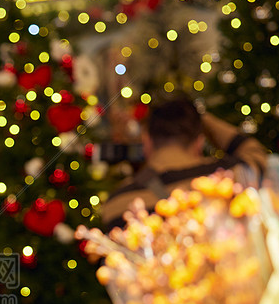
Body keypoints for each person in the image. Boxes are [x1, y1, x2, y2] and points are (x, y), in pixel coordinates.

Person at [102, 96, 267, 230]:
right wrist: (202, 118)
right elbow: (255, 152)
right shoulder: (229, 178)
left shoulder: (117, 202)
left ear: (147, 142)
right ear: (200, 142)